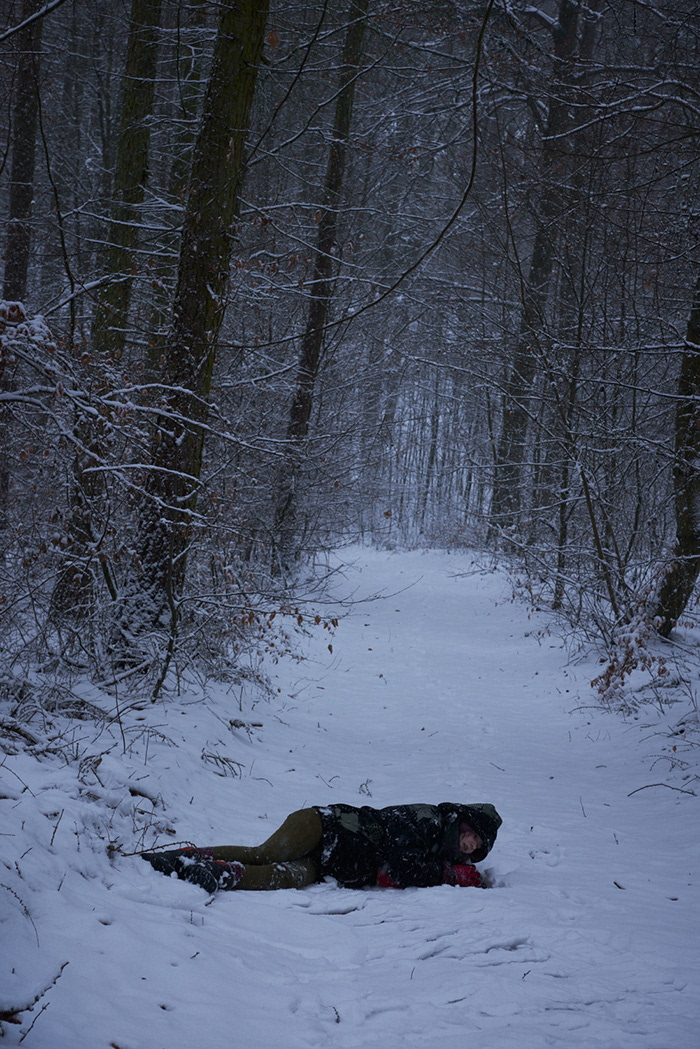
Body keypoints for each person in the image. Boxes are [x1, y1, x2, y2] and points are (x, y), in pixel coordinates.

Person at [140, 802, 502, 894]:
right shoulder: (428, 820)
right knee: (267, 854)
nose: (471, 843)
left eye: (477, 845)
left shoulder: (441, 849)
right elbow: (400, 865)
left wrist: (448, 872)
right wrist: (449, 876)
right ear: (461, 823)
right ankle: (182, 856)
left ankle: (215, 874)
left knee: (285, 878)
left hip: (332, 864)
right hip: (323, 825)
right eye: (472, 833)